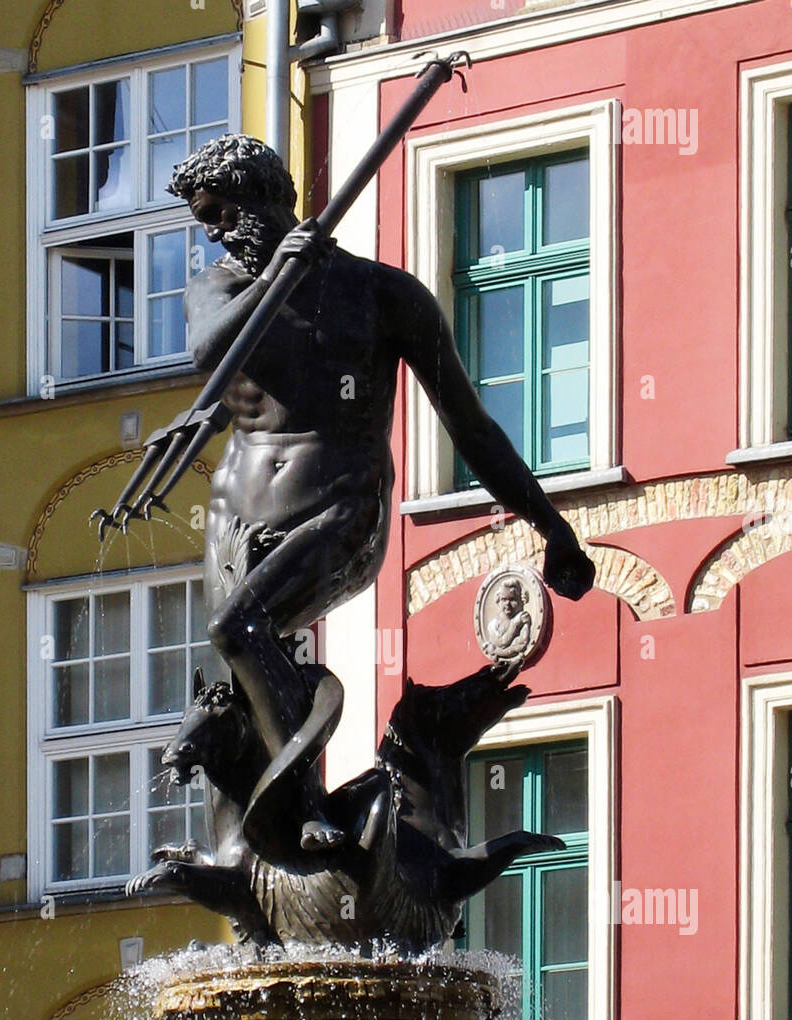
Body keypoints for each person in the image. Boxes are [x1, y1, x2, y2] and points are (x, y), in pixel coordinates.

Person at [166, 135, 594, 854]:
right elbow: (211, 352)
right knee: (242, 682)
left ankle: (305, 811)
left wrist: (552, 525)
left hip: (338, 503)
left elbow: (471, 425)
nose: (208, 233)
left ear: (264, 199)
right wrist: (275, 279)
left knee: (241, 628)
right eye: (200, 220)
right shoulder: (220, 287)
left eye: (216, 213)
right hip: (235, 516)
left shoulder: (383, 296)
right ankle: (243, 867)